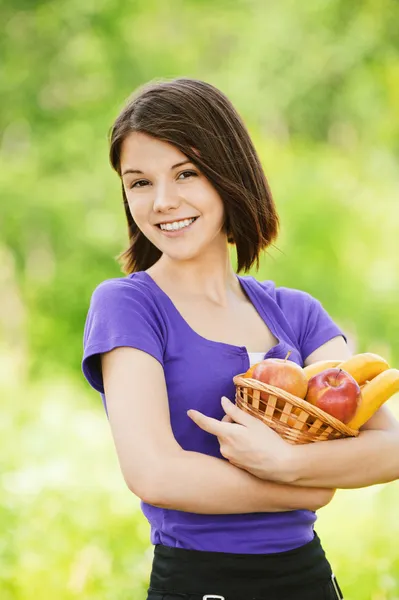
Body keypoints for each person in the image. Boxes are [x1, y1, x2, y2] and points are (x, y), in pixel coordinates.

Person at [81, 78, 399, 600]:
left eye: (186, 173)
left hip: (309, 580)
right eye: (139, 182)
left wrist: (291, 464)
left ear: (229, 174)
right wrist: (310, 487)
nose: (162, 201)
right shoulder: (128, 306)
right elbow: (156, 473)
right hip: (199, 581)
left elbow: (389, 445)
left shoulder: (297, 314)